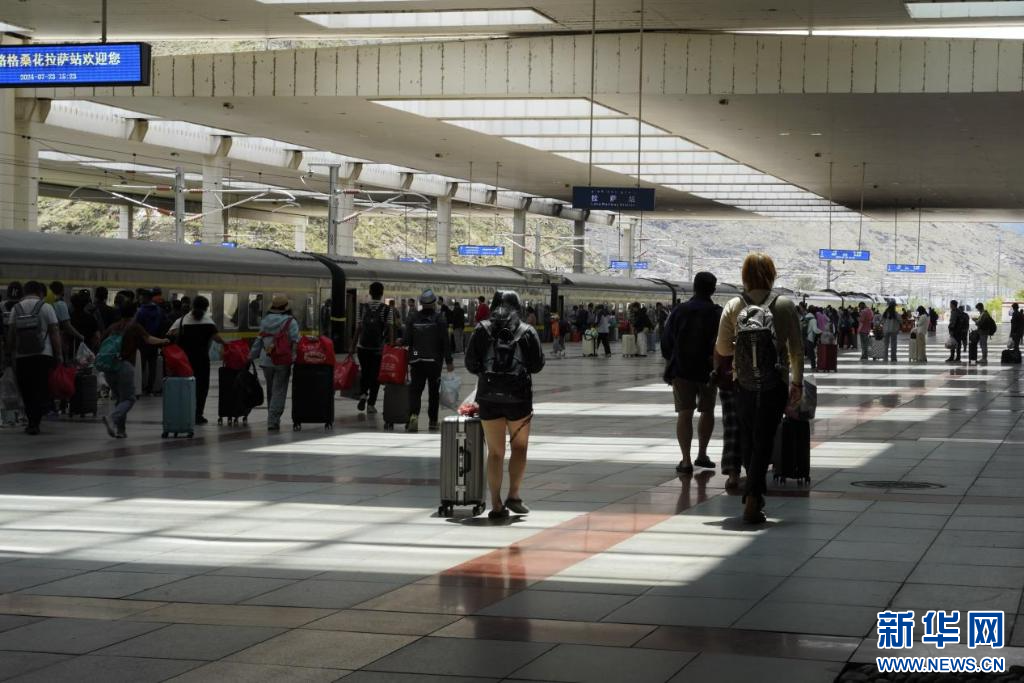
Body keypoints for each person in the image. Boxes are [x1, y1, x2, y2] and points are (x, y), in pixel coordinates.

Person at [714, 254, 803, 524]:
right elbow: (797, 350)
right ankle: (753, 496)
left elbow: (722, 348)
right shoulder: (784, 305)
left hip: (743, 383)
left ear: (744, 276)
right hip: (775, 382)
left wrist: (742, 350)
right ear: (772, 274)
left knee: (747, 437)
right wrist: (797, 383)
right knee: (765, 437)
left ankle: (753, 491)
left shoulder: (733, 305)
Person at [465, 290, 545, 519]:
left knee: (495, 453)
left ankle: (496, 504)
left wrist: (487, 371)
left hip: (489, 398)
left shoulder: (482, 329)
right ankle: (514, 495)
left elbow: (471, 364)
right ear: (518, 307)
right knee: (519, 448)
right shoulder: (527, 331)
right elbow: (537, 365)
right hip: (519, 399)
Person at [662, 272, 722, 475]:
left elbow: (666, 341)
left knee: (684, 413)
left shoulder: (679, 311)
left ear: (694, 287)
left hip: (682, 370)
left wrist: (672, 360)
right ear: (713, 290)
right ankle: (702, 454)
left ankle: (686, 460)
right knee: (707, 411)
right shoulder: (717, 313)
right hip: (708, 371)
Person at [100, 302, 170, 438]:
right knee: (129, 399)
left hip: (109, 367)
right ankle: (111, 418)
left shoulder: (113, 327)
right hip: (124, 366)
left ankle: (121, 431)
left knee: (120, 400)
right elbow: (148, 339)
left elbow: (101, 342)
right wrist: (163, 341)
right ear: (134, 313)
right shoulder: (134, 326)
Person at [5, 281, 61, 435]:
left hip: (22, 356)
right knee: (41, 387)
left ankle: (32, 421)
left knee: (26, 389)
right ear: (40, 292)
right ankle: (36, 419)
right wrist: (59, 354)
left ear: (25, 292)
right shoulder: (47, 307)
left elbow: (11, 333)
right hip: (44, 354)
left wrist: (9, 353)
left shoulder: (16, 308)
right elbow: (54, 332)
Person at [167, 296, 224, 424]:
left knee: (185, 386)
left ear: (192, 306)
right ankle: (198, 414)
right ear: (206, 308)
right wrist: (227, 344)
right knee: (202, 387)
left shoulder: (182, 321)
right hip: (202, 360)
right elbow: (217, 338)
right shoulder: (208, 322)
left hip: (184, 360)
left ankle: (184, 412)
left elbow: (169, 335)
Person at [404, 289, 454, 432]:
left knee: (415, 391)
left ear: (421, 303)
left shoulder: (413, 317)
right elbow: (445, 341)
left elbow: (407, 340)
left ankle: (413, 417)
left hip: (416, 360)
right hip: (434, 361)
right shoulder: (440, 318)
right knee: (433, 392)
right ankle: (433, 421)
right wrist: (449, 361)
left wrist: (404, 346)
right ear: (434, 303)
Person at [249, 296, 299, 431]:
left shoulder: (265, 321)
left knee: (271, 390)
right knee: (279, 391)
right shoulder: (290, 321)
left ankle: (271, 416)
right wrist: (295, 358)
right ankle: (273, 420)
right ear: (286, 308)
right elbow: (296, 341)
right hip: (283, 361)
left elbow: (258, 340)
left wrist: (251, 356)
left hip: (266, 360)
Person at [350, 282, 395, 415]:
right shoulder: (387, 309)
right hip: (377, 349)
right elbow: (390, 328)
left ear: (370, 293)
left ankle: (363, 394)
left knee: (365, 372)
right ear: (382, 293)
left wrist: (352, 346)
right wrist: (391, 345)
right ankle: (371, 404)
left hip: (362, 347)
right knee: (375, 376)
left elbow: (358, 328)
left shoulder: (362, 308)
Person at [134, 289, 165, 394]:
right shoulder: (159, 310)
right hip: (155, 341)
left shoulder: (140, 311)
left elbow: (136, 327)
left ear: (146, 298)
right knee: (152, 366)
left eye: (141, 297)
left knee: (141, 366)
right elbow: (162, 325)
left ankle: (140, 387)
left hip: (142, 342)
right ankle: (150, 388)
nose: (139, 299)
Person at [49, 281, 84, 362]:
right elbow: (67, 325)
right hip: (60, 341)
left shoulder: (49, 304)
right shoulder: (61, 304)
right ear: (62, 291)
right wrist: (79, 336)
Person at [800, 304, 820, 372]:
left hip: (803, 337)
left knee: (803, 353)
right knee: (812, 354)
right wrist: (822, 331)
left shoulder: (805, 317)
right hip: (810, 338)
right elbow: (815, 330)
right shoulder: (813, 319)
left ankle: (800, 368)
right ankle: (813, 367)